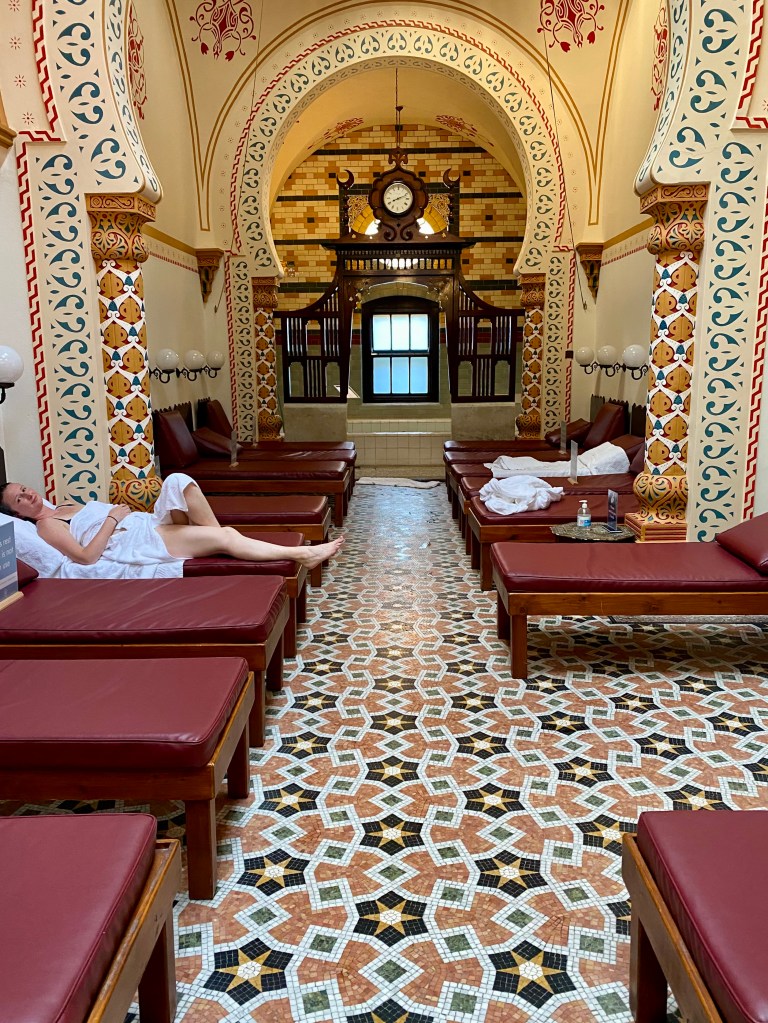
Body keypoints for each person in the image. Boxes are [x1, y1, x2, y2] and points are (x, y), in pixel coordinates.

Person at [0, 472, 344, 572]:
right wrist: (111, 518)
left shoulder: (65, 504)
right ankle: (302, 556)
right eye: (19, 499)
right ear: (17, 514)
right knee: (225, 537)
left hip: (143, 522)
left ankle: (214, 536)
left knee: (179, 480)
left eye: (25, 489)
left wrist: (120, 516)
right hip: (135, 541)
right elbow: (86, 558)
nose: (28, 495)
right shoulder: (46, 526)